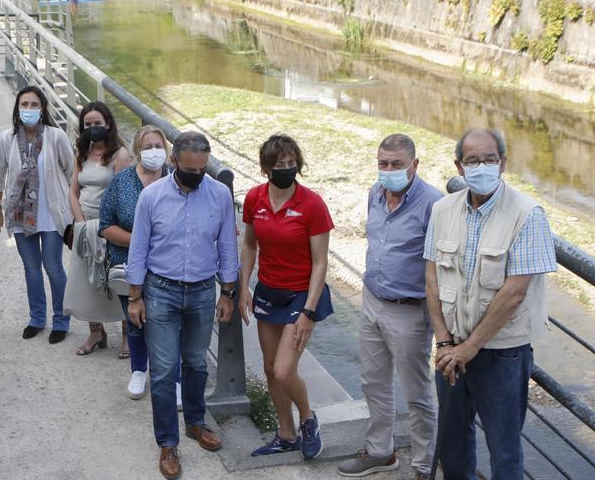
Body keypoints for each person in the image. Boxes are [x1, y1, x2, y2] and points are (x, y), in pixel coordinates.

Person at [424, 129, 556, 480]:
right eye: (472, 160)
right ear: (459, 165)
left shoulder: (528, 215)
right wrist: (444, 341)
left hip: (502, 354)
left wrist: (469, 348)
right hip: (452, 348)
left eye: (489, 159)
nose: (482, 166)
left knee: (504, 448)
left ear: (503, 164)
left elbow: (514, 293)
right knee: (452, 441)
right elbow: (431, 278)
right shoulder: (443, 210)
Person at [126, 131, 239, 480]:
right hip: (160, 290)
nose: (197, 175)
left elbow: (227, 247)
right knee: (162, 371)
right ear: (174, 162)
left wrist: (228, 292)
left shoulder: (220, 195)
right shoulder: (151, 196)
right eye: (190, 169)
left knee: (196, 364)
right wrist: (135, 297)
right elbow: (139, 250)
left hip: (204, 290)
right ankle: (167, 443)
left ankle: (194, 422)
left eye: (203, 169)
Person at [338, 134, 442, 479]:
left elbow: (439, 268)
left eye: (396, 164)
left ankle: (425, 464)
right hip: (371, 301)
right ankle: (381, 452)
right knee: (373, 382)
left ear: (414, 164)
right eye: (383, 163)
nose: (388, 170)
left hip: (410, 311)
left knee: (417, 392)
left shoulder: (433, 205)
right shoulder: (375, 194)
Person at [236, 134, 333, 460]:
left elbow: (321, 262)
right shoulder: (254, 199)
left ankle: (308, 419)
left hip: (301, 296)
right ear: (266, 168)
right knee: (268, 366)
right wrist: (243, 286)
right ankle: (286, 433)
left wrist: (308, 311)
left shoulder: (312, 204)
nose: (287, 170)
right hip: (268, 290)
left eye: (292, 164)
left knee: (282, 370)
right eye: (280, 165)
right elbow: (250, 244)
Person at [99, 125, 179, 399]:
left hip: (169, 266)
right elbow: (106, 225)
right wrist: (140, 240)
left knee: (169, 322)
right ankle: (138, 370)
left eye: (159, 146)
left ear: (168, 153)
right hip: (129, 262)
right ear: (136, 152)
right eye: (147, 147)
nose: (153, 151)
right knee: (136, 318)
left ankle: (174, 379)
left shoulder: (177, 181)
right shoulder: (121, 182)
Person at [0, 86, 75, 343]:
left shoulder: (55, 136)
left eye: (34, 104)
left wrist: (75, 209)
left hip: (51, 213)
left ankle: (61, 320)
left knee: (53, 266)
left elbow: (72, 171)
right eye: (24, 104)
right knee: (31, 268)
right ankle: (37, 318)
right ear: (17, 108)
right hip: (19, 213)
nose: (29, 109)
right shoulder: (7, 138)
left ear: (43, 108)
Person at [66, 102, 132, 356]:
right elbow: (73, 191)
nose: (93, 129)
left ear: (108, 124)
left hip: (109, 226)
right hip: (84, 225)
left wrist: (103, 225)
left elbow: (121, 195)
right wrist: (80, 222)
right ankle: (96, 332)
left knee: (116, 277)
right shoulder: (81, 153)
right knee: (87, 280)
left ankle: (128, 334)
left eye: (97, 123)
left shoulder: (120, 155)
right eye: (88, 125)